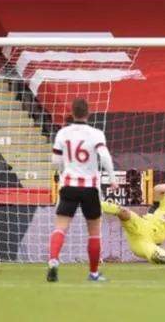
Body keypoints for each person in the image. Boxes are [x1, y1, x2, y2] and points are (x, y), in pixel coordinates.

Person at [47, 98, 118, 283]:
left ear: (72, 112)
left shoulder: (63, 133)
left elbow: (55, 161)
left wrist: (63, 170)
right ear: (88, 113)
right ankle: (93, 273)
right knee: (94, 231)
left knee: (61, 227)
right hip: (89, 186)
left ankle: (53, 260)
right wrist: (112, 179)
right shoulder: (95, 134)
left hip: (69, 184)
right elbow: (104, 155)